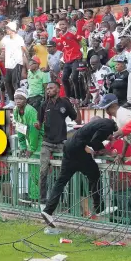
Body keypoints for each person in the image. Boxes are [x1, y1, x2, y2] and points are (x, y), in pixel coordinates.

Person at [39, 117, 117, 227]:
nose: (110, 138)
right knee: (94, 174)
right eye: (110, 136)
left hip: (69, 148)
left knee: (61, 182)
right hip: (78, 151)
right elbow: (95, 141)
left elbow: (91, 140)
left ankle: (48, 211)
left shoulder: (92, 125)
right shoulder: (108, 126)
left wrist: (96, 149)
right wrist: (109, 153)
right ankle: (99, 207)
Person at [35, 82, 80, 210]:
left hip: (61, 144)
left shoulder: (65, 103)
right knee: (43, 171)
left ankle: (67, 202)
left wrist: (76, 106)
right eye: (47, 89)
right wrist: (37, 125)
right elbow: (39, 121)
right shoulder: (44, 105)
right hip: (47, 143)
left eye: (51, 88)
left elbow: (78, 121)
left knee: (64, 174)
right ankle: (43, 201)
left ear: (58, 89)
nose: (48, 90)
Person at [13, 88, 43, 203]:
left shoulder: (31, 111)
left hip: (39, 141)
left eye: (21, 98)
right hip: (30, 141)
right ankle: (33, 196)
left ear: (26, 100)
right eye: (16, 98)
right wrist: (23, 146)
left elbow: (34, 132)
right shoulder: (16, 110)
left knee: (36, 172)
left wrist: (31, 148)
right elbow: (20, 129)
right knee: (32, 171)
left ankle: (36, 198)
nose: (18, 101)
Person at [52, 19, 83, 101]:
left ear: (67, 25)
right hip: (67, 60)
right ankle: (69, 97)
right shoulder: (61, 35)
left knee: (74, 78)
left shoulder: (72, 33)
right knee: (64, 79)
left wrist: (83, 54)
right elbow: (65, 46)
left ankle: (78, 97)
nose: (62, 26)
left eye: (63, 24)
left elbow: (82, 41)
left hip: (76, 58)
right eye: (60, 24)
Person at [2, 21, 28, 108]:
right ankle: (12, 101)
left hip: (17, 62)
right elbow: (2, 48)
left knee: (15, 81)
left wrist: (28, 59)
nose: (6, 30)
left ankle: (18, 101)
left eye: (7, 28)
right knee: (7, 82)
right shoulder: (6, 38)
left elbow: (24, 49)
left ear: (12, 29)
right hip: (8, 63)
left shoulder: (19, 38)